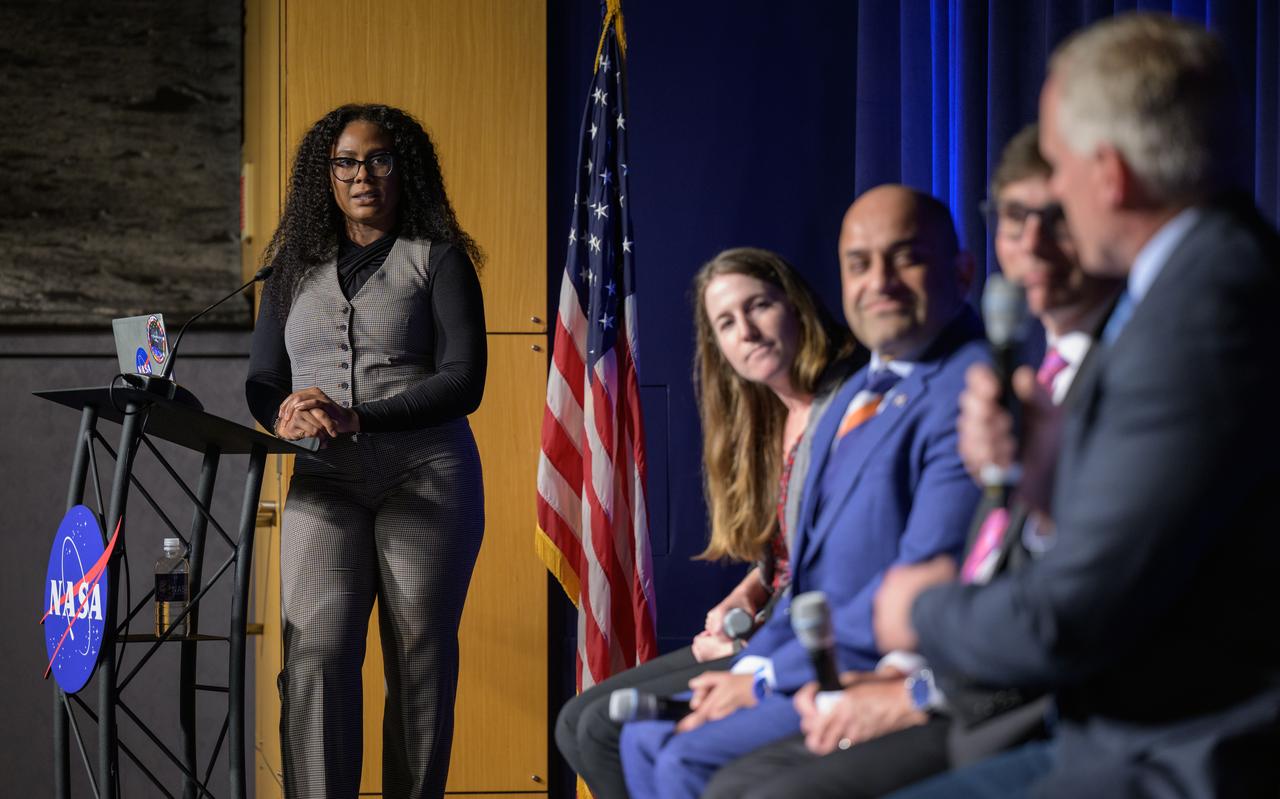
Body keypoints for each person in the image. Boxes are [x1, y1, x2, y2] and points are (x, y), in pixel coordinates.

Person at [874, 14, 1280, 798]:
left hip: (1183, 755)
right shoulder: (1201, 283)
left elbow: (1066, 620)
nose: (1053, 196)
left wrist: (919, 612)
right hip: (1132, 728)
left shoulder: (1202, 316)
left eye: (1057, 169)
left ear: (1110, 174)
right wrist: (1047, 480)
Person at [700, 125, 1121, 799]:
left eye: (1058, 220)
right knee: (657, 745)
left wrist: (914, 681)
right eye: (1015, 221)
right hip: (952, 675)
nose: (1033, 245)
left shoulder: (988, 380)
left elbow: (1082, 599)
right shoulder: (1029, 379)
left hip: (1065, 717)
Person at [619, 185, 986, 799]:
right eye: (860, 264)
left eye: (907, 258)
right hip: (804, 647)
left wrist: (762, 672)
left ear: (963, 271)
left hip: (875, 666)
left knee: (685, 759)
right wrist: (756, 654)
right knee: (639, 738)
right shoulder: (871, 392)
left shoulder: (966, 395)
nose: (881, 282)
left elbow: (916, 584)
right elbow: (805, 570)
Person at [245, 103, 487, 799]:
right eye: (346, 162)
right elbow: (264, 379)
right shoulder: (290, 270)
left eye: (378, 159)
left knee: (419, 660)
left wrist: (359, 415)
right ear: (325, 174)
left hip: (428, 477)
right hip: (325, 480)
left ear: (401, 169)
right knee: (316, 652)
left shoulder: (438, 260)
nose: (362, 175)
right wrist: (283, 411)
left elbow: (464, 380)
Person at [554, 247, 859, 798]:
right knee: (577, 720)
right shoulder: (768, 416)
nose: (746, 330)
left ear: (796, 307)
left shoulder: (847, 405)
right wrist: (748, 591)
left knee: (605, 730)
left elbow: (842, 565)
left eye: (759, 306)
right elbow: (787, 548)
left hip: (807, 640)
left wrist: (756, 647)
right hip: (769, 620)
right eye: (726, 322)